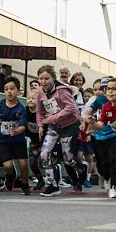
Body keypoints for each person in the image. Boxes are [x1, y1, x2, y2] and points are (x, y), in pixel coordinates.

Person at [31, 64, 82, 196]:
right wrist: (40, 125)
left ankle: (81, 168)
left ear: (53, 78)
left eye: (46, 78)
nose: (43, 82)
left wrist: (54, 117)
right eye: (41, 79)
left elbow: (71, 108)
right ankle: (52, 185)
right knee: (44, 153)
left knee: (68, 158)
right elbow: (39, 111)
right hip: (54, 126)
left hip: (70, 125)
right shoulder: (40, 91)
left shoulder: (62, 90)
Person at [0, 78, 33, 195]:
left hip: (18, 140)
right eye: (6, 89)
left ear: (18, 91)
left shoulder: (21, 109)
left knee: (23, 164)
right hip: (2, 139)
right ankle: (10, 175)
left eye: (12, 89)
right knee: (7, 166)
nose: (9, 91)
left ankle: (25, 184)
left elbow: (23, 126)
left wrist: (18, 131)